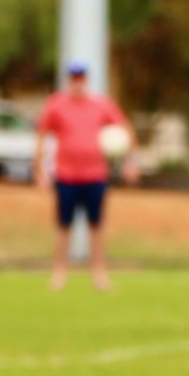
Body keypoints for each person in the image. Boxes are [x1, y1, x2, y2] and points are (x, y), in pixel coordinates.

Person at [33, 61, 139, 291]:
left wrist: (131, 162)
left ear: (86, 80)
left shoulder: (101, 105)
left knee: (97, 226)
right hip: (66, 175)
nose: (77, 82)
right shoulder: (57, 105)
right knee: (63, 226)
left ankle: (99, 274)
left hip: (95, 176)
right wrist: (39, 169)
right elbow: (42, 134)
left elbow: (125, 128)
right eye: (73, 77)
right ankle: (60, 273)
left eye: (81, 77)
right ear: (68, 80)